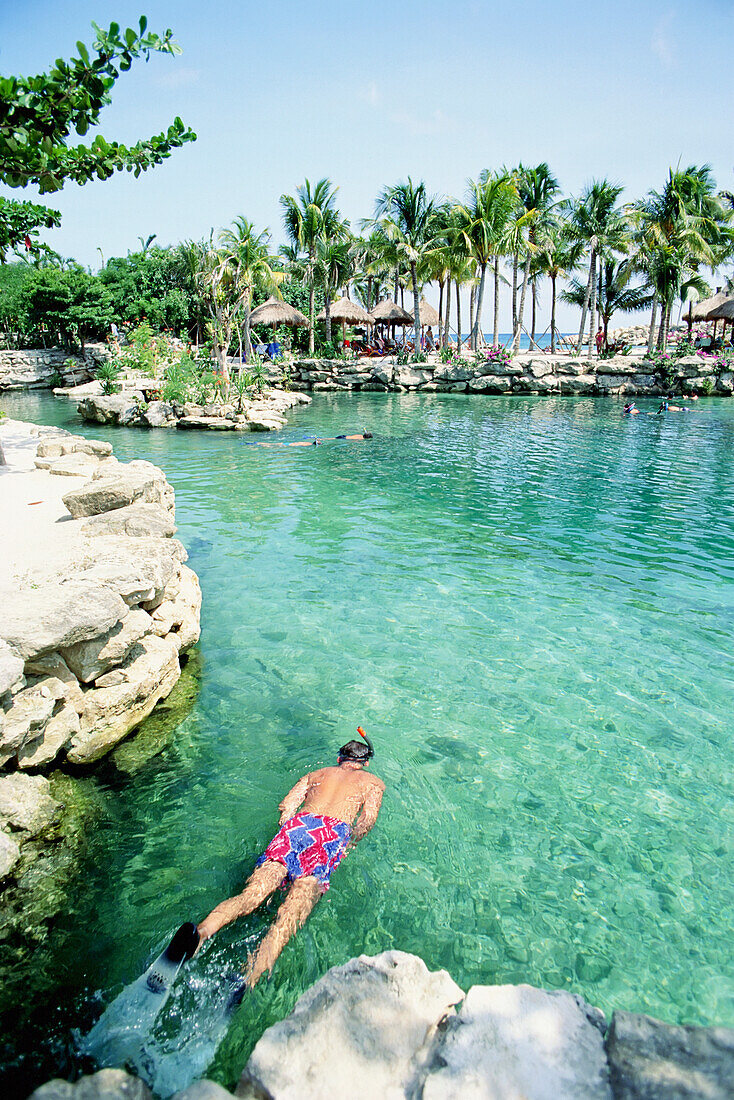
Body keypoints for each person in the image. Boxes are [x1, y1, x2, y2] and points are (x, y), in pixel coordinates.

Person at [193, 729, 384, 988]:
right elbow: (367, 820)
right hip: (328, 837)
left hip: (297, 828)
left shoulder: (315, 775)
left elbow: (287, 806)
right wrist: (349, 843)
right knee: (286, 919)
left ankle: (202, 932)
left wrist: (286, 830)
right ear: (365, 763)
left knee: (250, 896)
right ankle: (248, 977)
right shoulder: (373, 782)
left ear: (340, 758)